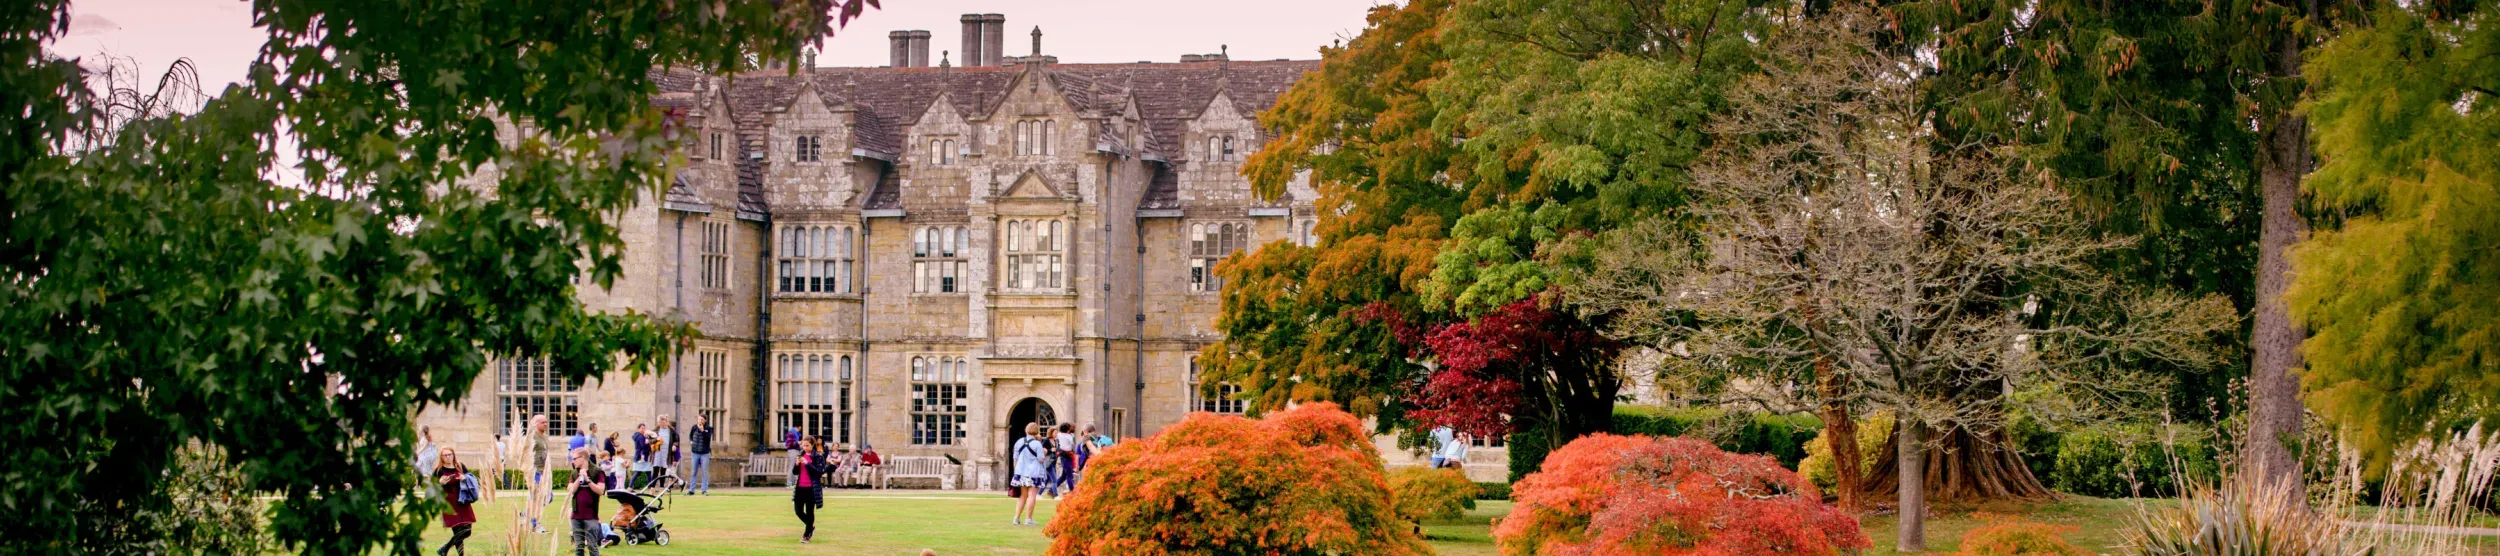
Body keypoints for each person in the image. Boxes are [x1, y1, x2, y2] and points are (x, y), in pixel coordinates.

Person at [434, 446, 477, 556]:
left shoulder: (460, 466)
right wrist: (440, 483)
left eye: (450, 454)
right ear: (441, 457)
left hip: (462, 500)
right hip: (449, 503)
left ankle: (445, 548)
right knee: (457, 531)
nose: (448, 457)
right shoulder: (439, 470)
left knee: (467, 531)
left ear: (453, 455)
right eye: (445, 455)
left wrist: (464, 478)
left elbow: (470, 478)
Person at [567, 448, 608, 556]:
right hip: (576, 516)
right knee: (579, 547)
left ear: (582, 458)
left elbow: (600, 490)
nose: (573, 461)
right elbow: (571, 490)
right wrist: (579, 477)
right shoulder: (575, 472)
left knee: (592, 546)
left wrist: (587, 479)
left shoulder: (597, 471)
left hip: (591, 516)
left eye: (575, 458)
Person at [791, 437, 831, 543]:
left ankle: (807, 534)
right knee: (798, 511)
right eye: (803, 445)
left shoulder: (818, 457)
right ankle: (810, 526)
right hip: (800, 487)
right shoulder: (801, 455)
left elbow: (819, 472)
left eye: (807, 445)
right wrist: (797, 464)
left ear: (812, 445)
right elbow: (795, 472)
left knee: (809, 511)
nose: (805, 448)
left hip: (811, 488)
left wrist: (807, 464)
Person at [1010, 423, 1048, 526]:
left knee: (1023, 496)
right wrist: (1045, 452)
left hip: (1021, 473)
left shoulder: (1019, 442)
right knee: (1032, 496)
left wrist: (1016, 470)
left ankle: (1016, 518)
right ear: (1036, 432)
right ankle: (1028, 519)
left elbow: (1015, 457)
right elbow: (1041, 459)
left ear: (1026, 430)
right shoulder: (1037, 444)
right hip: (1034, 473)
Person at [527, 414, 554, 535]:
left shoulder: (545, 436)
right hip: (535, 471)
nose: (546, 424)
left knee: (549, 497)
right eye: (543, 422)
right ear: (536, 423)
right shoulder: (532, 436)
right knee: (536, 499)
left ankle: (526, 513)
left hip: (544, 472)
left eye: (546, 422)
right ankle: (535, 525)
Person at [687, 414, 716, 495]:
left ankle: (704, 490)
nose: (700, 421)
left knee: (704, 471)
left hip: (705, 453)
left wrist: (703, 431)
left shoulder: (709, 428)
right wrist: (691, 441)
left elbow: (708, 439)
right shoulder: (694, 427)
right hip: (695, 452)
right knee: (693, 471)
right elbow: (690, 436)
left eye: (702, 420)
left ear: (705, 420)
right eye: (699, 419)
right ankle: (692, 490)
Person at [1051, 423, 1082, 494]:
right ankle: (1072, 491)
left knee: (1064, 476)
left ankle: (1052, 490)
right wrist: (1075, 453)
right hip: (1067, 455)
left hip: (1063, 455)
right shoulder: (1069, 436)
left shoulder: (1059, 435)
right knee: (1069, 475)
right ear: (1067, 430)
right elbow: (1072, 446)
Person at [413, 426, 441, 500]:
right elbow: (420, 446)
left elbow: (424, 447)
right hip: (422, 456)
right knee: (418, 469)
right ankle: (417, 485)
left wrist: (418, 453)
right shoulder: (422, 437)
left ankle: (430, 486)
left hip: (426, 456)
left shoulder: (426, 438)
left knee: (427, 470)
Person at [629, 424, 654, 490]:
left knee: (644, 472)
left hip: (641, 456)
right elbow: (643, 446)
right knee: (641, 472)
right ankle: (649, 487)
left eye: (644, 428)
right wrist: (649, 446)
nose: (643, 430)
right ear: (638, 428)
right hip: (641, 456)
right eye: (642, 428)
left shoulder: (638, 436)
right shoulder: (640, 436)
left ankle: (630, 487)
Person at [655, 417, 677, 488]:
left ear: (664, 422)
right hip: (657, 453)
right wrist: (656, 439)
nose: (659, 424)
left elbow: (676, 440)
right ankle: (652, 488)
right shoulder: (656, 430)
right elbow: (650, 440)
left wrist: (674, 445)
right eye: (658, 422)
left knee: (663, 471)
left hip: (666, 453)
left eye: (660, 422)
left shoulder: (671, 431)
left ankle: (662, 487)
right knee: (655, 470)